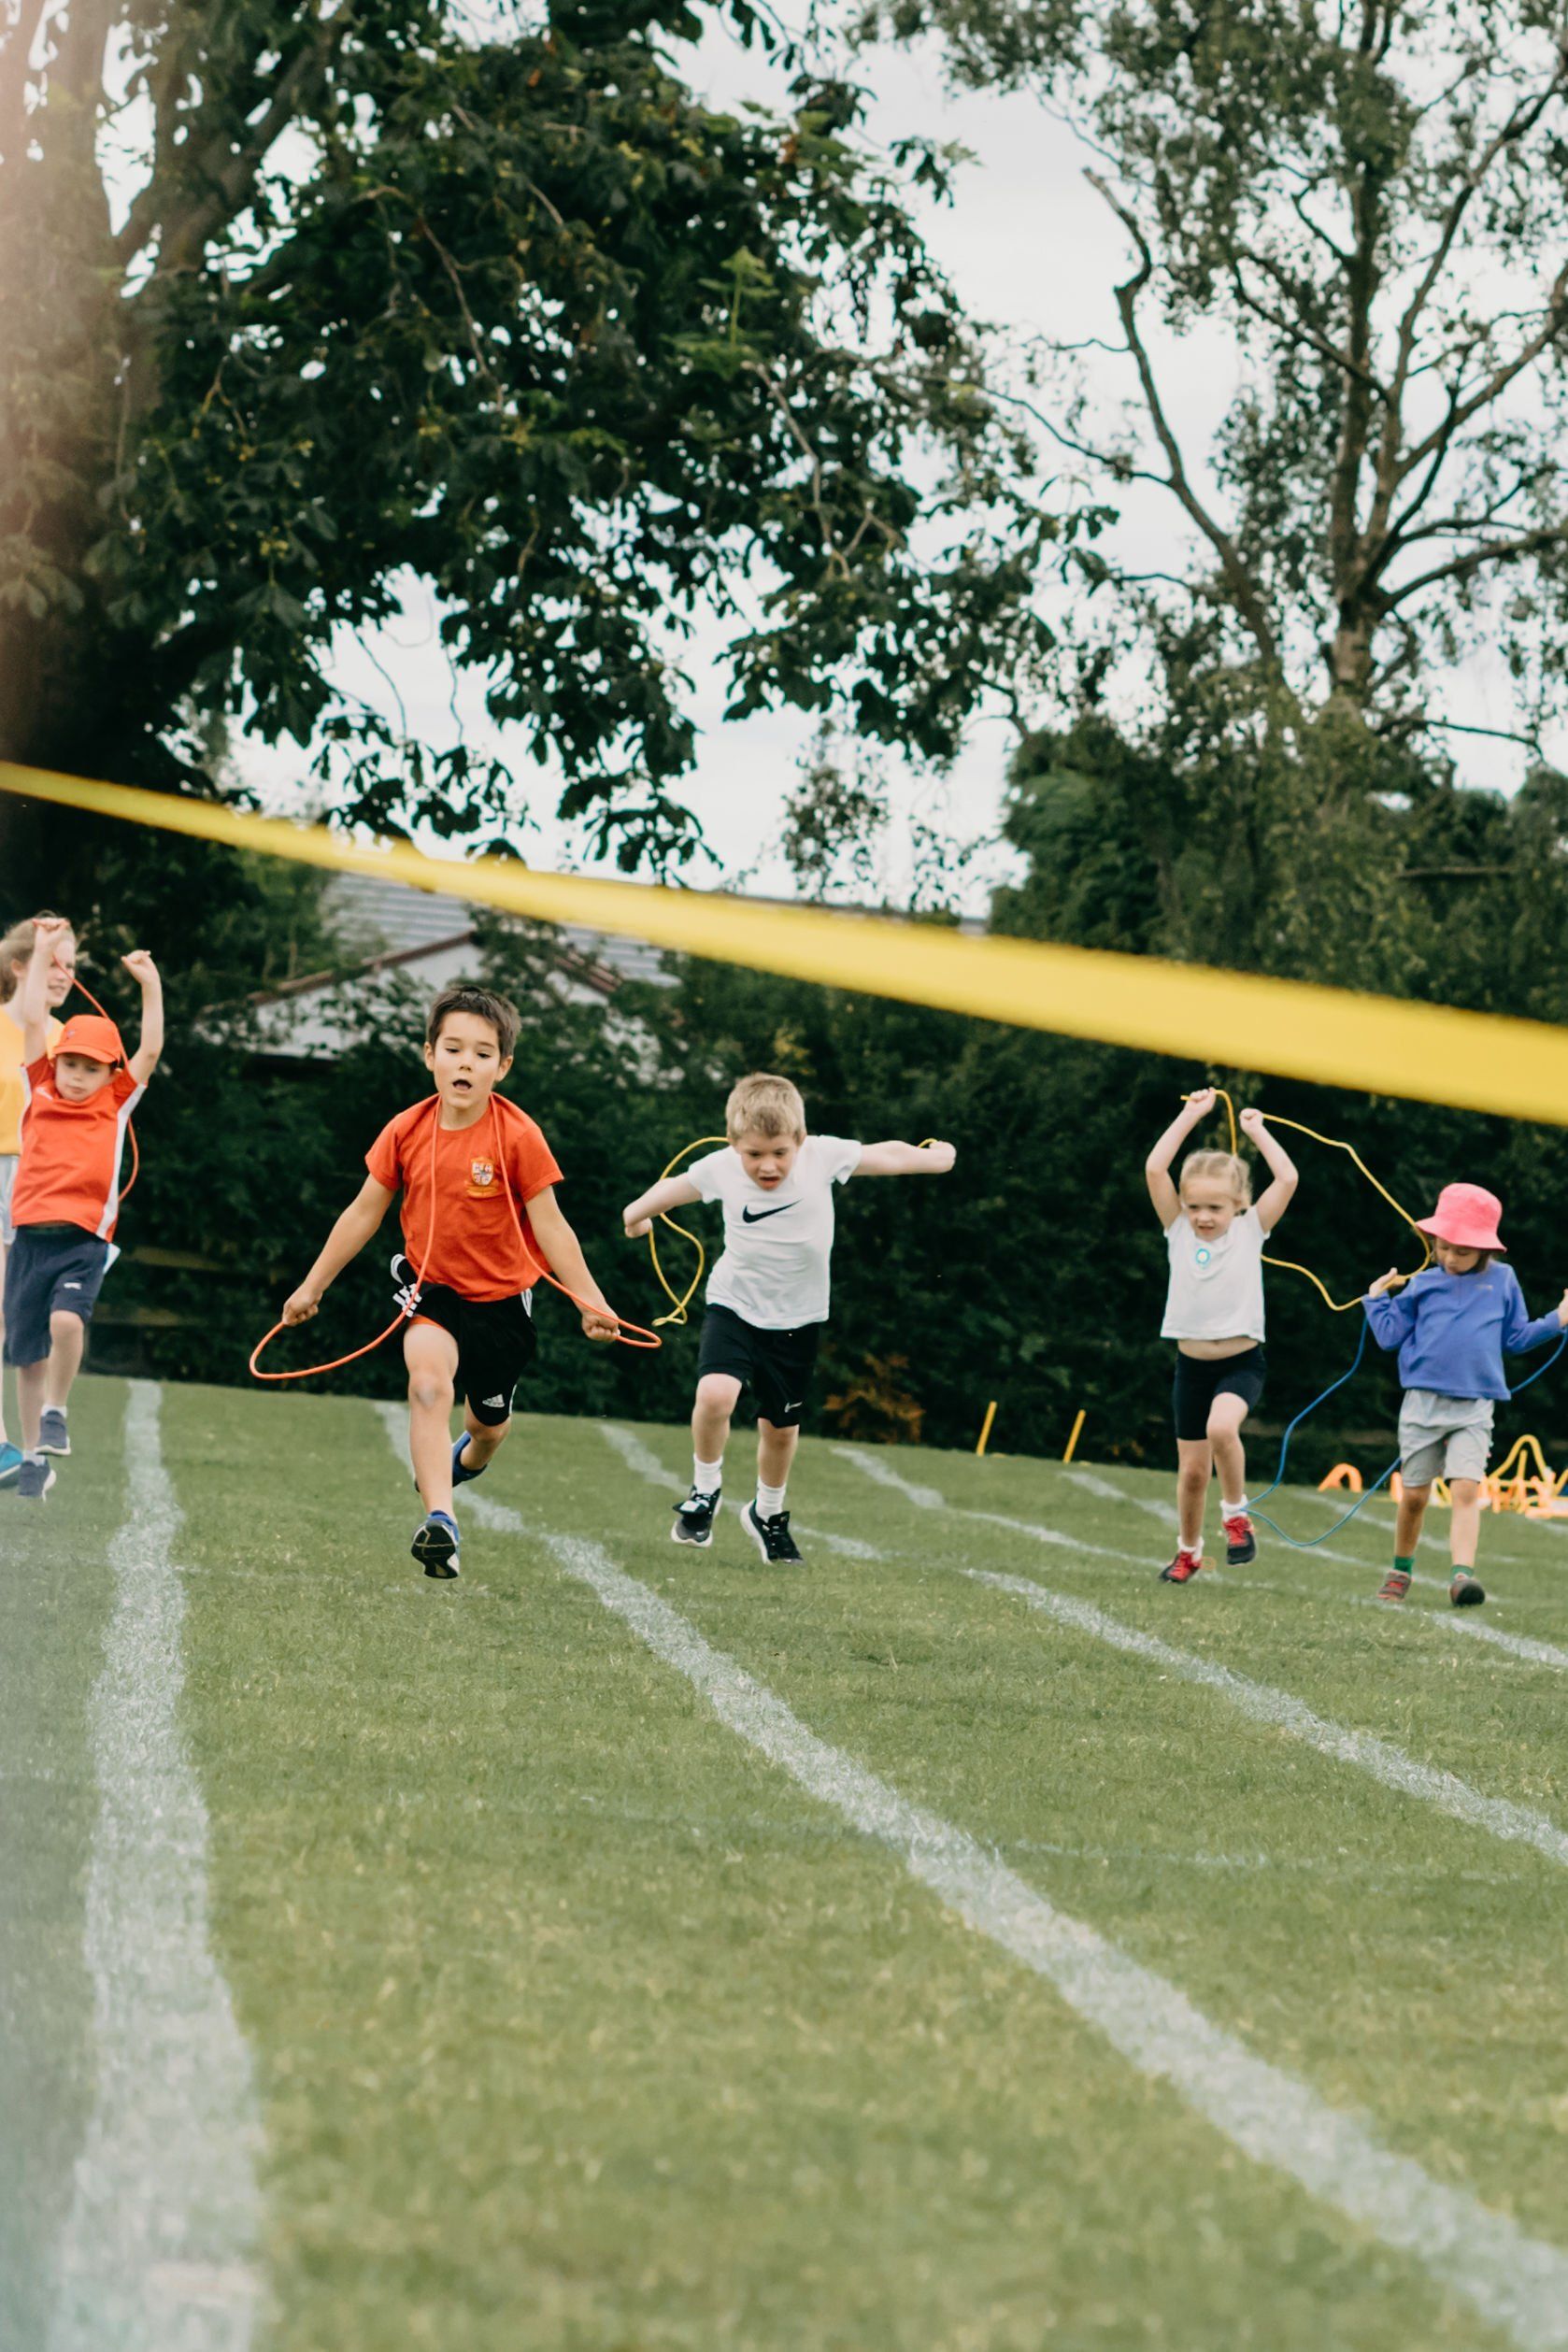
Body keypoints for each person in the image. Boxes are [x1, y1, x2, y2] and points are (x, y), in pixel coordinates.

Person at [283, 984, 619, 1580]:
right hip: (431, 1290)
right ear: (430, 1055)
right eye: (454, 1049)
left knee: (487, 1427)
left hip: (501, 1302)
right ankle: (441, 1520)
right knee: (428, 1387)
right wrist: (313, 1286)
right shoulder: (405, 1130)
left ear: (502, 1067)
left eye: (482, 1054)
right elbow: (363, 1213)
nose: (466, 1063)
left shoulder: (518, 1136)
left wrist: (590, 1301)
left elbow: (552, 1227)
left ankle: (470, 1459)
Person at [621, 1072, 956, 1564]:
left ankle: (768, 1513)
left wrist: (936, 1159)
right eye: (754, 1154)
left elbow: (885, 1155)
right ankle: (705, 1491)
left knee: (779, 1428)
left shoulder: (822, 1155)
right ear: (733, 1143)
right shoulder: (721, 1168)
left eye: (780, 1152)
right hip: (735, 1305)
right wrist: (635, 1216)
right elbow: (672, 1189)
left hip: (799, 1318)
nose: (768, 1165)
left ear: (799, 1139)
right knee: (715, 1394)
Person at [3, 918, 162, 1500]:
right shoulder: (39, 1087)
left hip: (82, 1241)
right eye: (70, 1062)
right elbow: (32, 1023)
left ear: (111, 1073)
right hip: (28, 1238)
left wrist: (150, 985)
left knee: (66, 1323)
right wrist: (44, 947)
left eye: (92, 1067)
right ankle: (31, 1459)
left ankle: (57, 1411)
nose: (76, 1075)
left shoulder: (115, 1103)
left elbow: (150, 1049)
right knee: (25, 1354)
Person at [1363, 1182, 1568, 1607]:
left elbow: (1515, 1338)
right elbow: (1389, 1337)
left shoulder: (1504, 1280)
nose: (1451, 1257)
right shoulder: (1422, 1284)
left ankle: (1462, 1578)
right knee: (1414, 1496)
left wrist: (1558, 1319)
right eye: (1443, 1247)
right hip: (1422, 1405)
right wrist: (1376, 1299)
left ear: (1485, 1250)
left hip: (1475, 1407)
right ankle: (1400, 1571)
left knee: (1466, 1490)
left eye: (1463, 1250)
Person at [1146, 1087, 1299, 1583]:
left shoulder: (1251, 1230)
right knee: (1192, 1473)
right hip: (1191, 1368)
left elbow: (1288, 1177)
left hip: (1241, 1365)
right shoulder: (1177, 1230)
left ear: (1239, 1204)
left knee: (1221, 1429)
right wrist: (1190, 1115)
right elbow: (1155, 1168)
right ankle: (1188, 1552)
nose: (1204, 1217)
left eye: (1215, 1206)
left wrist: (1257, 1131)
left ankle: (1236, 1516)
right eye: (1194, 1206)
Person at [0, 911, 74, 1487]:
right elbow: (28, 1016)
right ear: (19, 965)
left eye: (70, 965)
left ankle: (31, 1454)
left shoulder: (67, 1037)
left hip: (40, 1184)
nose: (64, 974)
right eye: (52, 962)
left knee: (29, 1325)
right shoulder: (15, 1023)